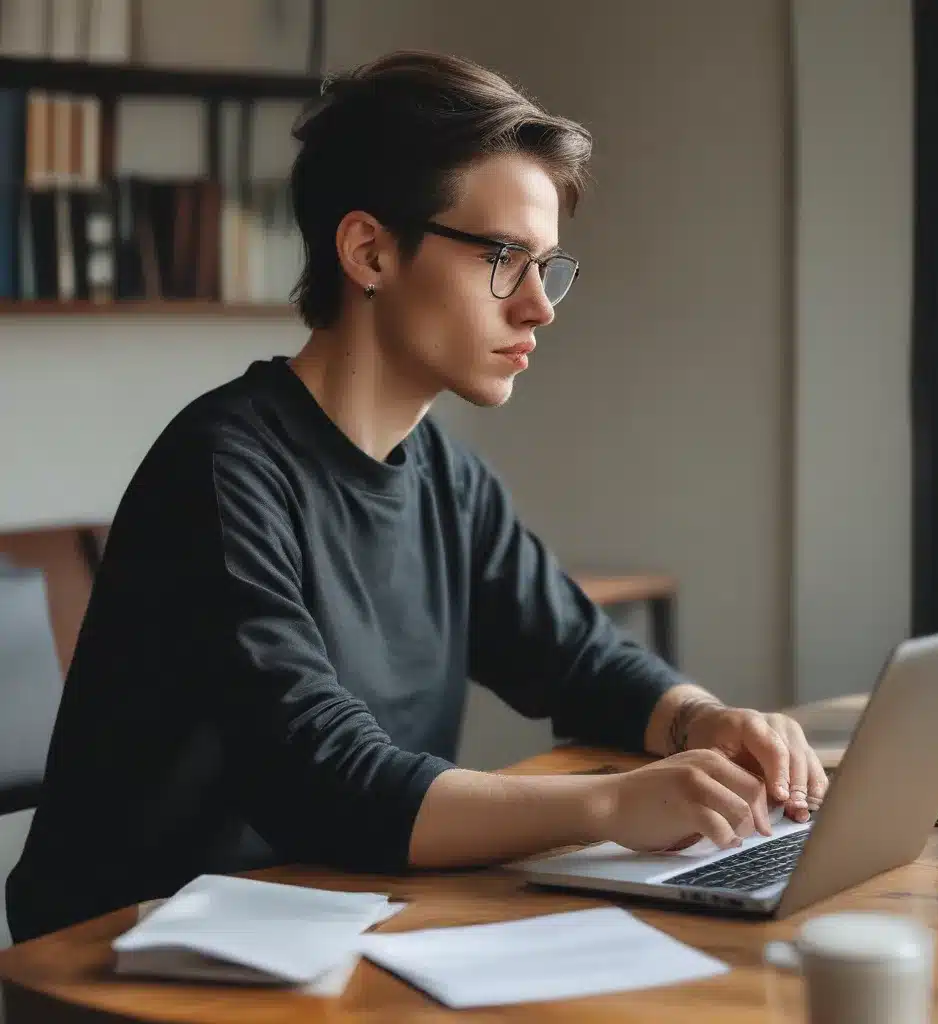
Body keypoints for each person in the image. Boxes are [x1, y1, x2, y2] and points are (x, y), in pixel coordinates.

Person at [6, 51, 827, 942]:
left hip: (329, 927)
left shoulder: (444, 473)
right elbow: (329, 778)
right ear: (369, 251)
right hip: (129, 955)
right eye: (506, 258)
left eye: (547, 266)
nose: (540, 308)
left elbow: (579, 657)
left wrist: (702, 720)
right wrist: (605, 807)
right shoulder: (220, 470)